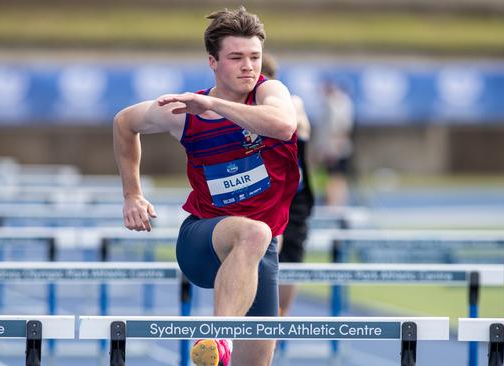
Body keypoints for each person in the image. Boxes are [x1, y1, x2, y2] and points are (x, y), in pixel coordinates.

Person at [113, 7, 299, 366]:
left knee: (257, 362)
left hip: (258, 255)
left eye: (255, 57)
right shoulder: (183, 112)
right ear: (213, 62)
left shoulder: (269, 92)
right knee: (255, 232)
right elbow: (124, 122)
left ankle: (221, 347)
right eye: (236, 58)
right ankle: (218, 337)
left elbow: (283, 125)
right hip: (202, 241)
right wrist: (132, 194)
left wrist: (214, 104)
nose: (248, 66)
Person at [261, 54, 314, 318]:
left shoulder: (291, 103)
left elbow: (299, 126)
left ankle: (281, 319)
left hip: (295, 197)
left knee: (292, 258)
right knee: (266, 250)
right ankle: (258, 316)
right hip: (264, 197)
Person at [314, 80, 354, 206]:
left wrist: (330, 149)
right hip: (335, 147)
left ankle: (335, 204)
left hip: (335, 148)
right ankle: (336, 203)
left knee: (335, 176)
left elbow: (339, 128)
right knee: (335, 176)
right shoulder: (338, 103)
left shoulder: (336, 104)